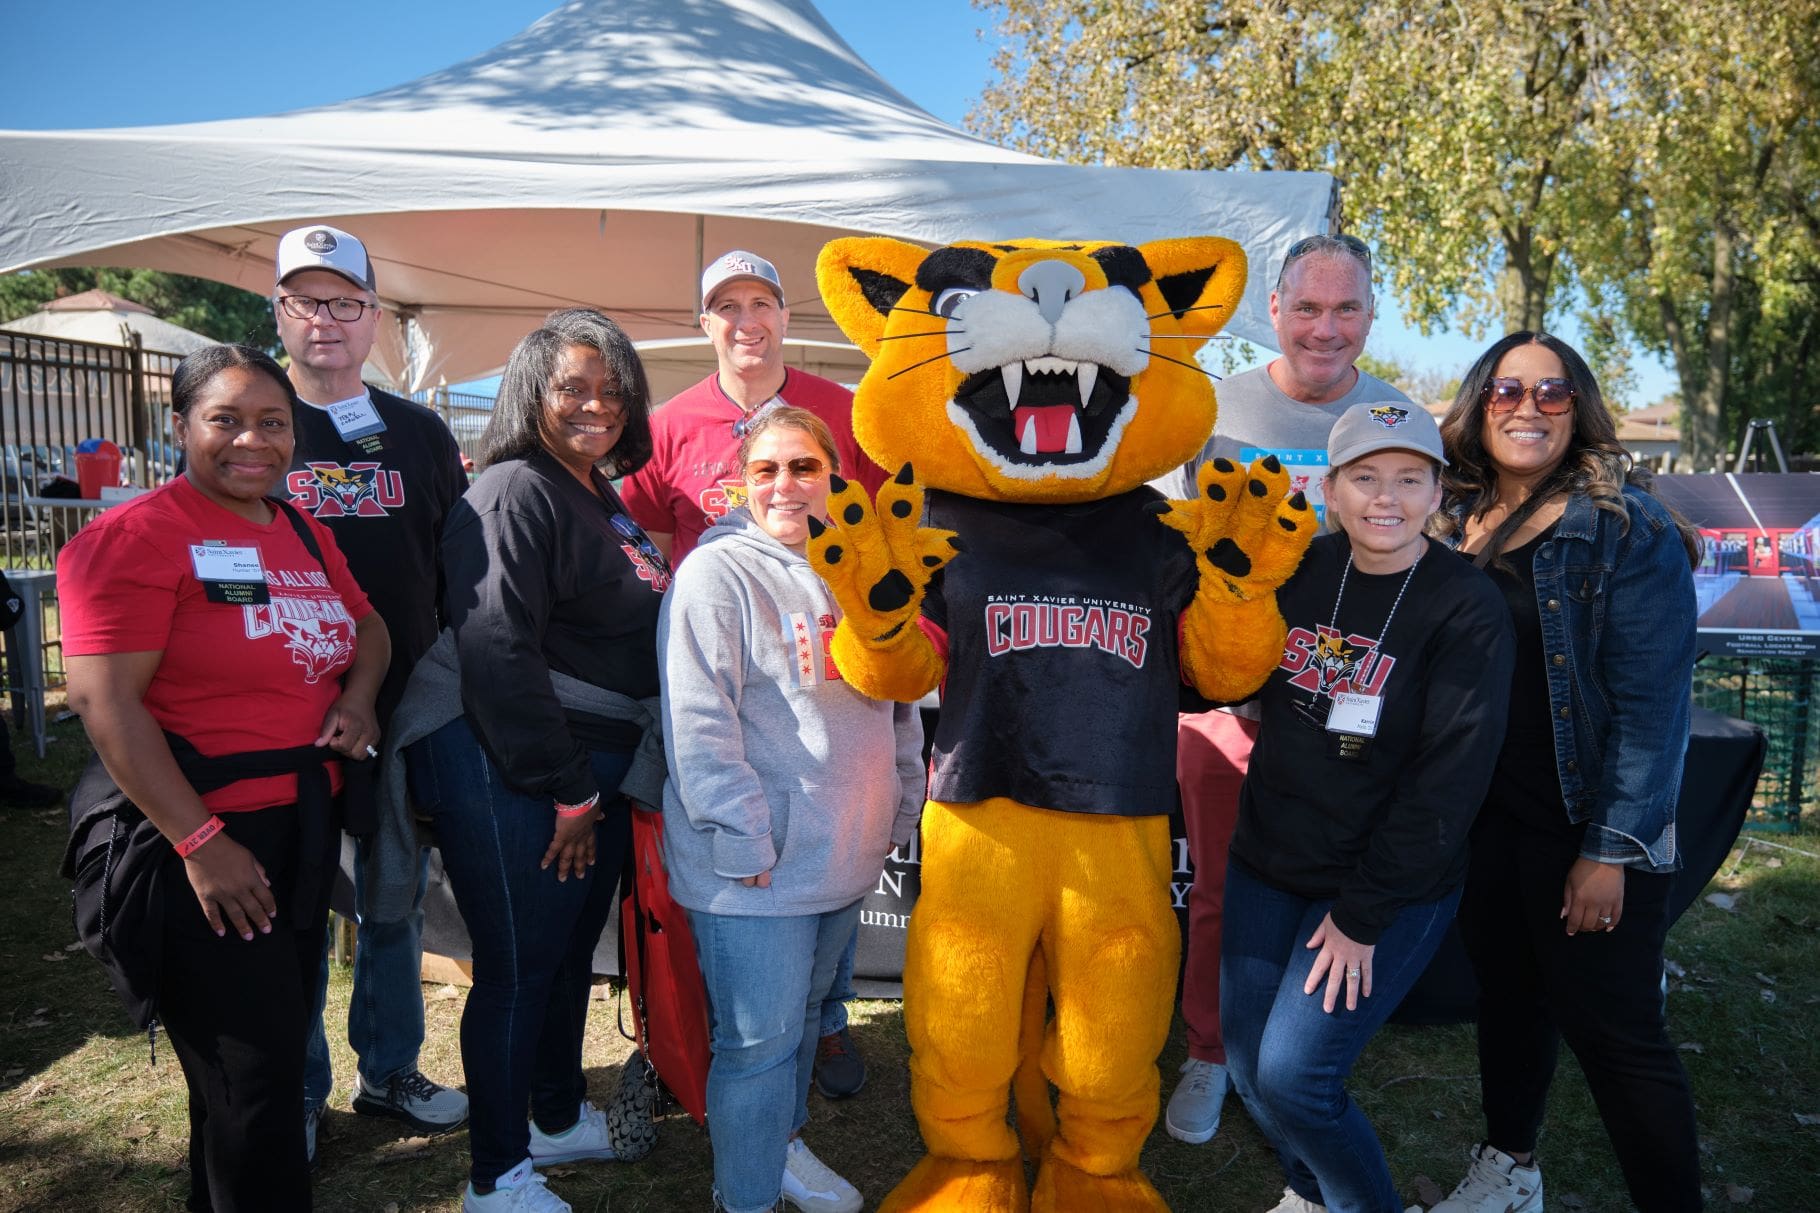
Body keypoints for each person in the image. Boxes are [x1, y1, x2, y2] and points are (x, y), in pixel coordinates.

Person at [60, 343, 389, 1212]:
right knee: (257, 1084)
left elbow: (370, 627)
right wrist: (202, 843)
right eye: (226, 419)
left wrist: (358, 695)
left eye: (272, 422)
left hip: (298, 831)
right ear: (178, 427)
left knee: (254, 1071)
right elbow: (106, 704)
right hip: (201, 841)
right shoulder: (132, 537)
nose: (254, 439)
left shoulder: (301, 528)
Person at [1429, 333, 1704, 1213]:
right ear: (1478, 404)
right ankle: (1509, 1170)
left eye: (1552, 392)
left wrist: (1611, 850)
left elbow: (1653, 709)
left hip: (1585, 829)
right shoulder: (1450, 517)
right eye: (1507, 388)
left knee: (1619, 1037)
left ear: (1578, 409)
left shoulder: (1627, 525)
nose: (1528, 406)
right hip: (1487, 825)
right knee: (1510, 1001)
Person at [402, 308, 669, 1213]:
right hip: (513, 757)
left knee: (560, 958)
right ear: (532, 393)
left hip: (580, 766)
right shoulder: (514, 489)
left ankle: (555, 1119)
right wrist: (565, 791)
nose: (596, 404)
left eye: (613, 390)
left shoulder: (595, 489)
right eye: (573, 387)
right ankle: (497, 1174)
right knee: (518, 965)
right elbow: (496, 648)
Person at [1222, 402, 1513, 1213]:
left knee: (1296, 1075)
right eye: (1366, 477)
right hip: (1269, 859)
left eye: (1409, 479)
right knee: (1247, 1066)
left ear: (1436, 492)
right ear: (1332, 489)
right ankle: (1313, 1192)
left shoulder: (1465, 605)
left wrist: (1361, 916)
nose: (1386, 498)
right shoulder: (1299, 570)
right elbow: (1224, 673)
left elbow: (1447, 785)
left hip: (1386, 882)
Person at [1160, 233, 1413, 1144]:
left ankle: (1294, 1060)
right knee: (1223, 886)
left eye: (1346, 308)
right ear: (1273, 310)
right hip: (1228, 699)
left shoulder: (1396, 417)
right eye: (1308, 307)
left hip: (1346, 707)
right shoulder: (1211, 412)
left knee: (1326, 889)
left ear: (1370, 316)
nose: (1325, 327)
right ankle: (1208, 1053)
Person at [620, 248, 888, 1100]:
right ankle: (727, 1042)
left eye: (761, 302)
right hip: (724, 674)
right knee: (743, 883)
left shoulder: (842, 410)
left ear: (784, 315)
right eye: (726, 305)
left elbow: (886, 530)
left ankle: (829, 1020)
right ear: (705, 324)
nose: (746, 320)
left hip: (830, 674)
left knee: (832, 853)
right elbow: (639, 542)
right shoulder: (669, 424)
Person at [657, 405, 924, 1213]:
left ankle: (781, 1144)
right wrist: (746, 840)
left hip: (842, 857)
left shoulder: (862, 569)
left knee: (807, 1019)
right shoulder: (715, 574)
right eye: (767, 469)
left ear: (834, 477)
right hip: (757, 870)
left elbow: (899, 702)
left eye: (804, 467)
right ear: (740, 482)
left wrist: (898, 809)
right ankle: (743, 1193)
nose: (785, 485)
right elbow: (699, 721)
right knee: (756, 1043)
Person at [271, 224, 472, 1156]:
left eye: (343, 302)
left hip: (396, 708)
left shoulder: (422, 432)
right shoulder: (250, 421)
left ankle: (388, 1070)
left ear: (373, 317)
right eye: (306, 300)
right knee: (295, 908)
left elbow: (452, 568)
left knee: (392, 901)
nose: (326, 320)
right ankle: (299, 1089)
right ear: (280, 313)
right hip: (279, 713)